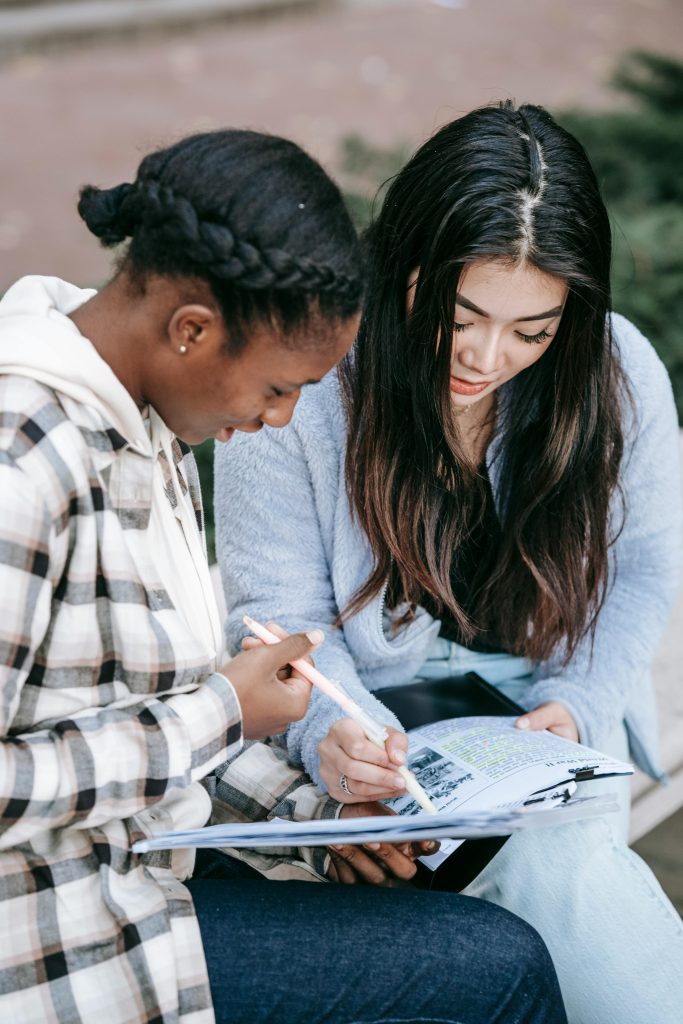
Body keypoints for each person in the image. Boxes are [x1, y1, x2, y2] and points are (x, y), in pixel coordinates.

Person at [0, 128, 568, 1024]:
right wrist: (220, 710)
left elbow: (130, 713)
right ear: (192, 329)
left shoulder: (147, 420)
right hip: (56, 935)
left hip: (141, 868)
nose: (281, 419)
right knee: (497, 968)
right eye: (276, 388)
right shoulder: (22, 457)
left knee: (435, 909)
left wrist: (320, 814)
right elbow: (179, 722)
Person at [216, 102, 683, 1024]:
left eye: (531, 331)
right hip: (362, 710)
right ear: (403, 265)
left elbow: (646, 570)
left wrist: (580, 706)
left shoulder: (615, 370)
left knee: (556, 859)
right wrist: (332, 750)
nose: (485, 357)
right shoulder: (308, 381)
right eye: (460, 313)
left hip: (544, 700)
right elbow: (276, 613)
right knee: (557, 880)